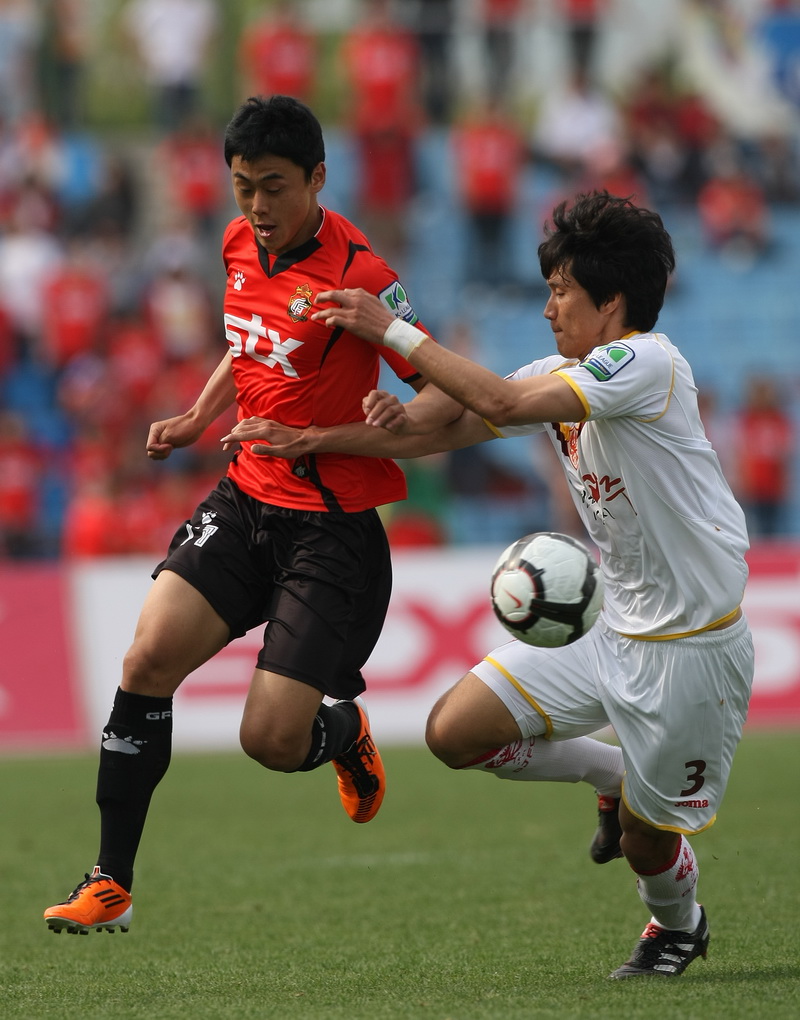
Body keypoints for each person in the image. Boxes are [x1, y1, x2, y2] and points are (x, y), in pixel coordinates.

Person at [224, 192, 755, 979]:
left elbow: (503, 402)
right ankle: (609, 774)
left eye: (561, 292)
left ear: (611, 302)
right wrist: (314, 437)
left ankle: (677, 925)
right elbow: (435, 428)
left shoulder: (648, 364)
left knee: (648, 843)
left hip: (692, 653)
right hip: (611, 628)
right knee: (454, 732)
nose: (547, 309)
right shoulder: (557, 373)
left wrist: (391, 328)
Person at [42, 94, 438, 935]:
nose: (256, 206)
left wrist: (388, 416)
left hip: (330, 527)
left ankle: (342, 731)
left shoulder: (364, 275)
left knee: (270, 741)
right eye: (243, 186)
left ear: (318, 178)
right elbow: (248, 337)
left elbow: (441, 386)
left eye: (274, 187)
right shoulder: (235, 243)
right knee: (146, 658)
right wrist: (198, 415)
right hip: (245, 495)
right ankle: (110, 882)